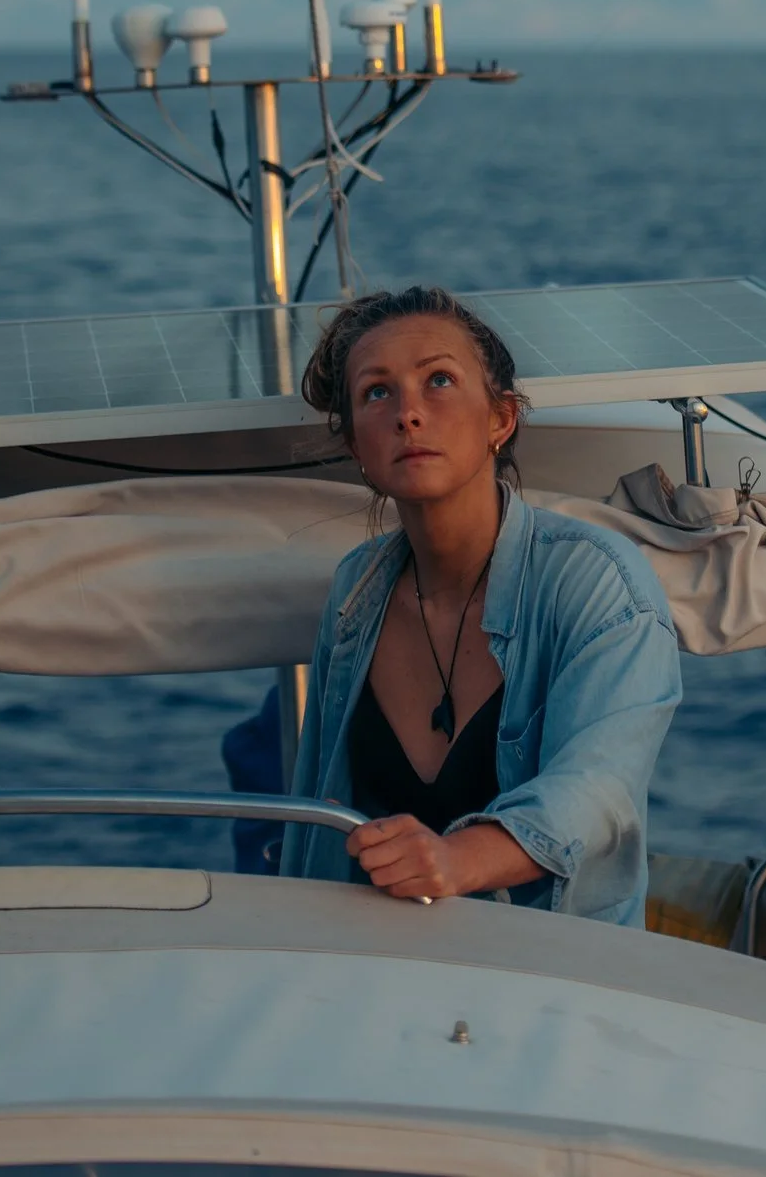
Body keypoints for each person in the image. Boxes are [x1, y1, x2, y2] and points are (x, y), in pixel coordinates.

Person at [274, 286, 682, 925]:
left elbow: (598, 792)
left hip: (553, 976)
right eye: (376, 392)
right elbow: (316, 807)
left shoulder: (598, 581)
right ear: (357, 448)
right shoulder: (358, 591)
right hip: (379, 969)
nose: (408, 413)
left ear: (501, 419)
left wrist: (458, 859)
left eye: (438, 380)